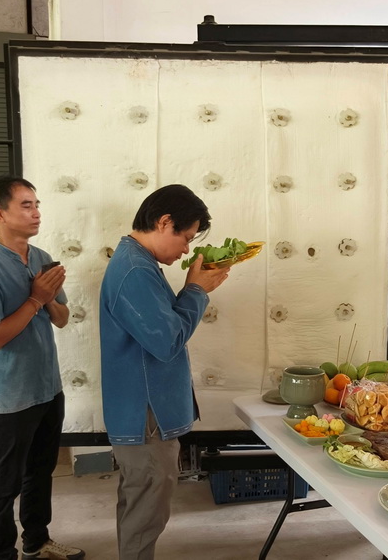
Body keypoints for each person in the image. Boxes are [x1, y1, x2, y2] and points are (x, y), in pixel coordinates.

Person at [99, 184, 230, 560]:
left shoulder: (137, 262)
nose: (187, 249)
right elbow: (167, 341)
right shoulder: (134, 270)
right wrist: (196, 291)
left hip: (142, 408)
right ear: (163, 221)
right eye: (186, 237)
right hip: (145, 413)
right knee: (147, 510)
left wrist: (195, 290)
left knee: (139, 503)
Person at [0, 176, 84, 560]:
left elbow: (62, 318)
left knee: (41, 471)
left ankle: (37, 541)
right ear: (0, 214)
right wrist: (36, 298)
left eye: (37, 204)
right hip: (9, 392)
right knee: (5, 482)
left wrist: (47, 299)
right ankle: (2, 553)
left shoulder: (41, 257)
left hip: (46, 386)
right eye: (26, 205)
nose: (36, 213)